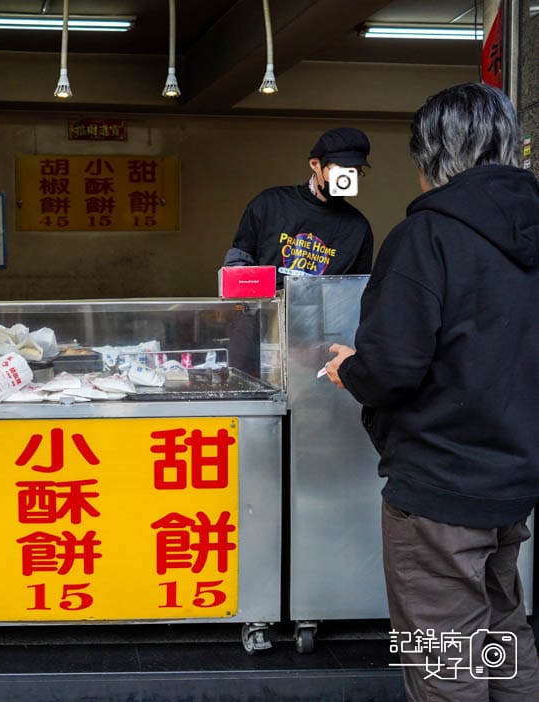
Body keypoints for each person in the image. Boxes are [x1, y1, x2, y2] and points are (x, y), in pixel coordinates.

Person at [325, 82, 539, 701]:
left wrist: (351, 369)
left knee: (445, 657)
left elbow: (392, 366)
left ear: (432, 156)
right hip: (512, 480)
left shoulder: (428, 237)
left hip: (441, 486)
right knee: (501, 628)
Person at [223, 126, 374, 286]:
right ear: (315, 164)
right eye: (341, 171)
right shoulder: (269, 203)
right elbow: (238, 265)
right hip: (268, 307)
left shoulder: (358, 228)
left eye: (354, 172)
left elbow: (356, 291)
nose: (346, 179)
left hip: (324, 311)